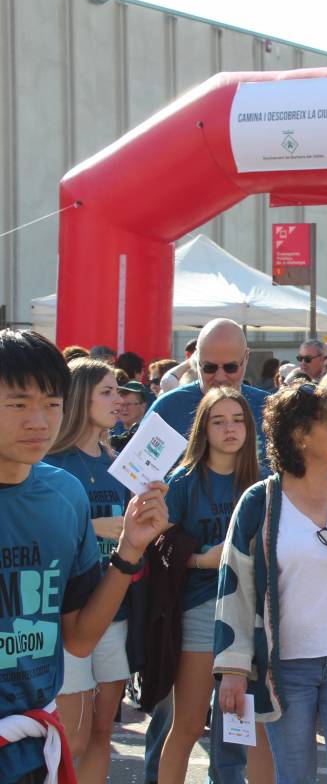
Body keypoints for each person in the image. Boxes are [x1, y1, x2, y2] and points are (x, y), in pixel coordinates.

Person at [0, 329, 167, 784]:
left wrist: (130, 549)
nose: (38, 420)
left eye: (51, 403)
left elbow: (77, 637)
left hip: (34, 747)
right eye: (18, 403)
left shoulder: (64, 493)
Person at [214, 383, 327, 784]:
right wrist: (232, 667)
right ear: (299, 435)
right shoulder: (259, 502)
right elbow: (236, 589)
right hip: (286, 668)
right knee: (295, 777)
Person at [159, 388, 273, 784]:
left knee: (254, 725)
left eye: (238, 420)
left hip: (255, 612)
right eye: (219, 421)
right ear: (203, 429)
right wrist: (200, 558)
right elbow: (159, 549)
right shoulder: (184, 482)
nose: (230, 429)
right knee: (189, 724)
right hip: (201, 610)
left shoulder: (264, 481)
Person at [43, 358, 132, 782]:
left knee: (101, 731)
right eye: (108, 392)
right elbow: (37, 536)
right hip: (69, 614)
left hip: (116, 610)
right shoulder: (52, 463)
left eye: (119, 391)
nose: (120, 400)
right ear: (81, 398)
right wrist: (92, 528)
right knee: (71, 739)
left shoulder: (120, 464)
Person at [147, 319, 270, 450]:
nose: (220, 377)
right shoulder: (168, 408)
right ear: (197, 358)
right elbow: (135, 466)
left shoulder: (269, 409)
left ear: (246, 358)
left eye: (230, 367)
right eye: (210, 367)